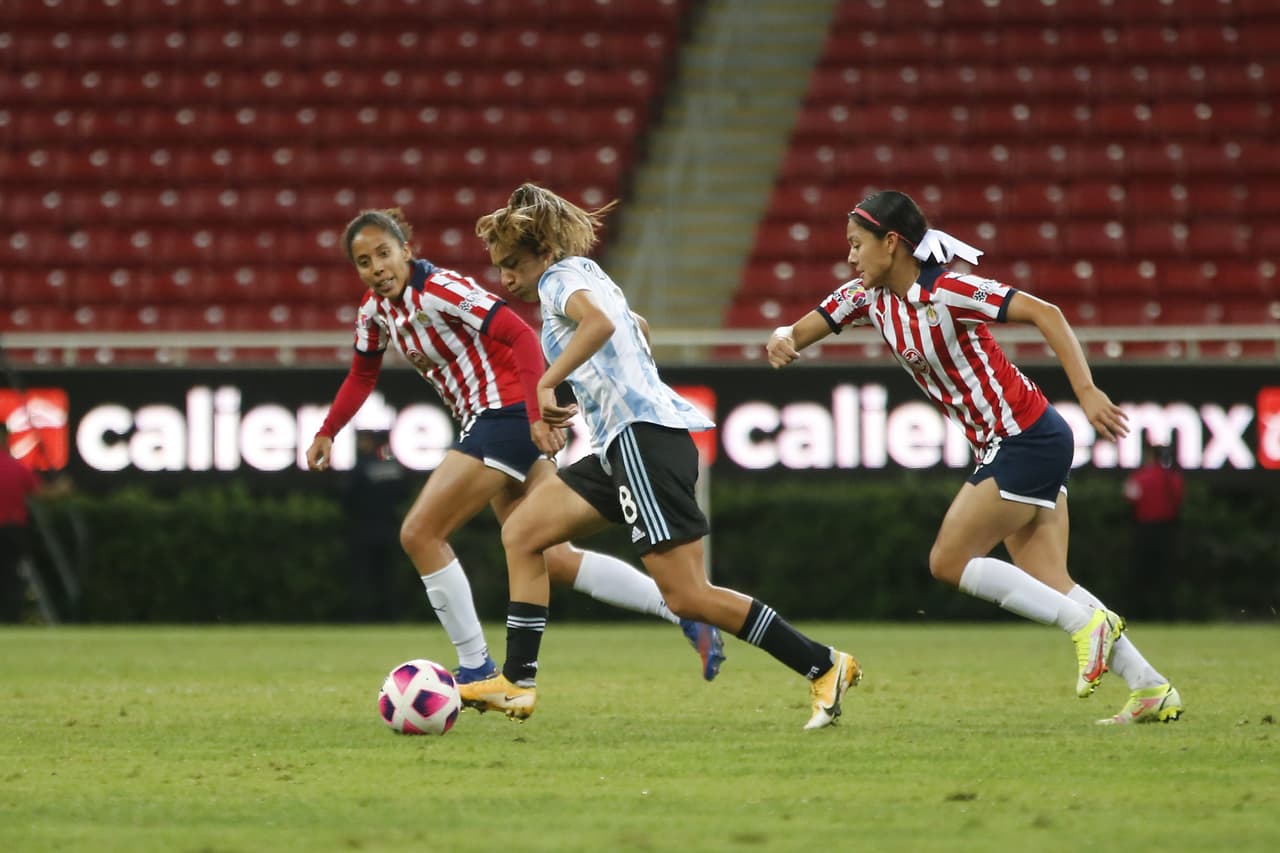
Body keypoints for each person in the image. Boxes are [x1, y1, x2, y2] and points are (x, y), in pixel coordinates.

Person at [766, 189, 1182, 725]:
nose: (850, 257)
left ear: (891, 243)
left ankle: (1089, 627)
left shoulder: (949, 289)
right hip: (1015, 441)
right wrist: (781, 339)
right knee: (1053, 583)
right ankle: (1150, 687)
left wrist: (1086, 391)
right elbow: (799, 331)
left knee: (947, 560)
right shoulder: (866, 296)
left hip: (1026, 437)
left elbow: (1046, 313)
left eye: (856, 244)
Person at [465, 183, 860, 730]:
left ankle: (824, 663)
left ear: (543, 253)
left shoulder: (559, 280)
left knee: (687, 596)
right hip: (620, 446)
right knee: (523, 532)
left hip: (642, 442)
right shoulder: (589, 274)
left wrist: (548, 384)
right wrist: (608, 386)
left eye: (512, 264)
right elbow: (634, 328)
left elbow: (602, 326)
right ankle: (517, 683)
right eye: (499, 266)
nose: (505, 277)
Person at [305, 209, 725, 683]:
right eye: (364, 261)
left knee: (420, 533)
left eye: (384, 253)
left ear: (407, 250)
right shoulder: (374, 312)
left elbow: (520, 335)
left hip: (504, 416)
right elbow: (363, 374)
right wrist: (328, 430)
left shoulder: (441, 288)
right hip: (495, 421)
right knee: (551, 556)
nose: (377, 267)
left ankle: (476, 668)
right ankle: (686, 614)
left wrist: (532, 414)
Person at [0, 423, 70, 622]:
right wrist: (63, 488)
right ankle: (9, 620)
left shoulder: (16, 467)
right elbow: (44, 494)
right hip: (11, 531)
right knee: (9, 579)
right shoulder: (15, 467)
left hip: (10, 531)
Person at [341, 430, 411, 622]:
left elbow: (347, 496)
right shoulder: (393, 465)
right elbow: (404, 493)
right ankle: (392, 617)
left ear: (371, 442)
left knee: (362, 578)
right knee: (388, 578)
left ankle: (362, 617)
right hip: (389, 528)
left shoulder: (362, 466)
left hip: (364, 529)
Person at [1123, 443, 1184, 620]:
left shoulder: (1139, 477)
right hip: (1167, 531)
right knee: (1166, 576)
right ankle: (1168, 615)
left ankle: (1138, 615)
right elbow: (1179, 500)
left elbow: (1129, 498)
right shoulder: (1173, 478)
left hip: (1143, 531)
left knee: (1140, 575)